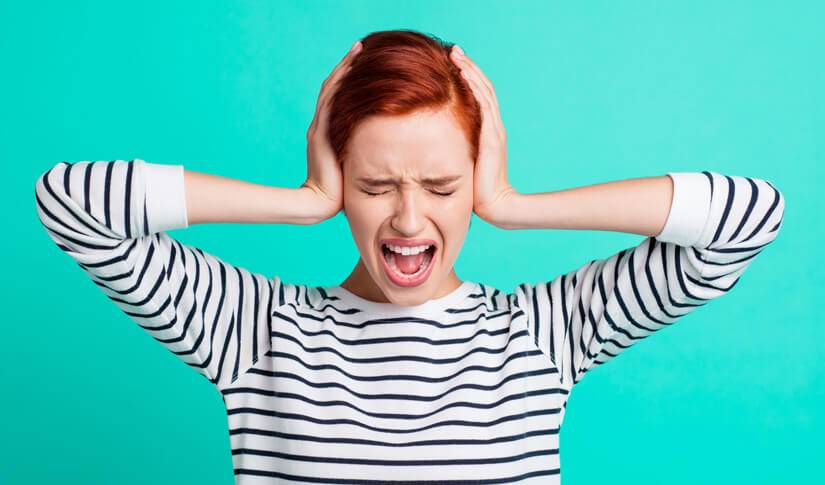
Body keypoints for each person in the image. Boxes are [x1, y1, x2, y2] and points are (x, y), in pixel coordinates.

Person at [35, 29, 785, 484]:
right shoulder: (253, 330)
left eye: (441, 186)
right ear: (340, 178)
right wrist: (303, 199)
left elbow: (746, 217)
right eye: (374, 185)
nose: (407, 218)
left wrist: (513, 205)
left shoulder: (544, 333)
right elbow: (72, 203)